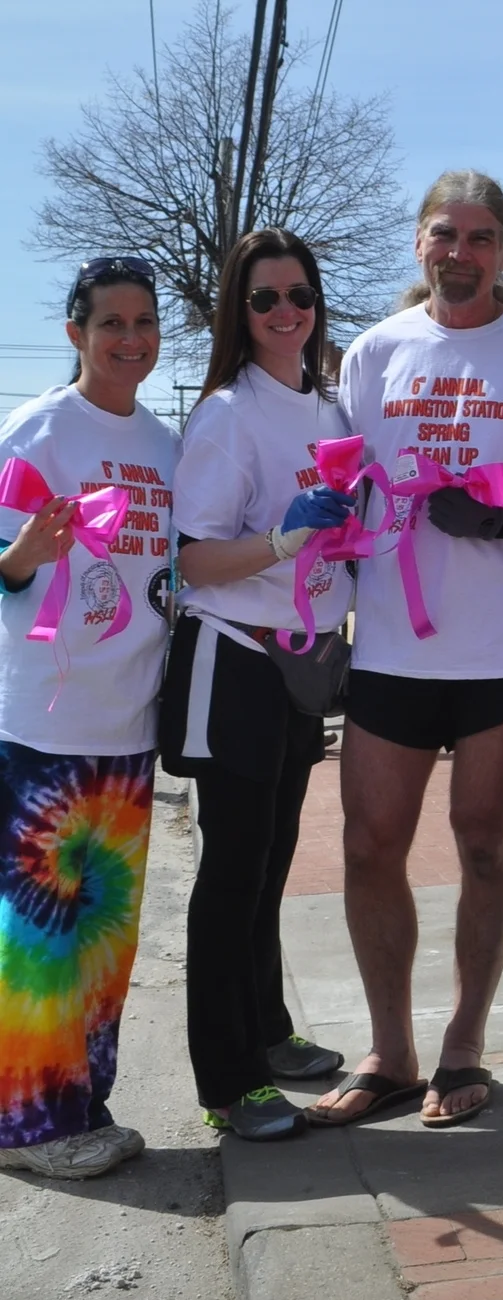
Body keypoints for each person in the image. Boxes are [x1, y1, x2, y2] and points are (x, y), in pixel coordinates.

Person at [310, 171, 503, 1129]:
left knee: (483, 844)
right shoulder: (375, 354)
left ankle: (465, 1043)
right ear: (418, 245)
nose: (458, 253)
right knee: (368, 844)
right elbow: (343, 480)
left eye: (478, 238)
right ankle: (390, 1048)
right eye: (441, 235)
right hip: (388, 642)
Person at [159, 228, 354, 1141]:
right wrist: (282, 539)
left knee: (273, 861)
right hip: (232, 653)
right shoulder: (226, 413)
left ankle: (268, 1035)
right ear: (239, 313)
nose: (287, 313)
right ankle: (229, 1082)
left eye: (300, 296)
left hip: (304, 660)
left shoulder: (328, 406)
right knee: (232, 873)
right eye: (266, 299)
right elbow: (194, 556)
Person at [0, 257, 178, 1177]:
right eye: (111, 323)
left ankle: (82, 1105)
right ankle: (27, 1126)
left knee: (107, 936)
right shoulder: (35, 431)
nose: (131, 340)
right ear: (75, 332)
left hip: (131, 729)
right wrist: (20, 556)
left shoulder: (166, 444)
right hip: (45, 729)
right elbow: (3, 565)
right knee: (40, 935)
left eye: (145, 322)